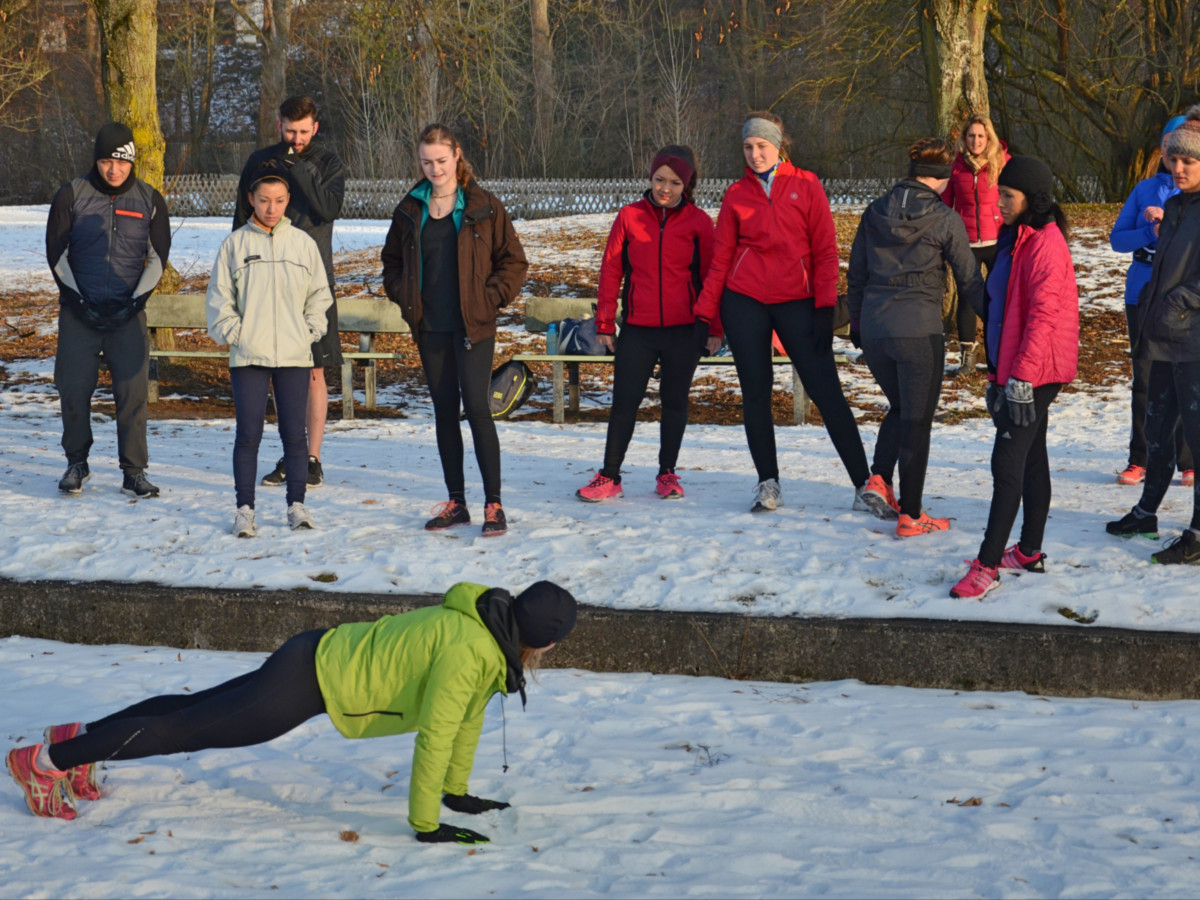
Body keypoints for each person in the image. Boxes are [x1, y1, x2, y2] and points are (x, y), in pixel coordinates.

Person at [5, 580, 578, 844]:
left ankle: (76, 739)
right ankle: (48, 760)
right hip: (309, 681)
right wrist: (427, 823)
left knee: (192, 709)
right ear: (541, 638)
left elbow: (468, 718)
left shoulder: (484, 624)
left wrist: (457, 791)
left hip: (312, 656)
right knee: (186, 728)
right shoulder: (470, 653)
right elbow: (437, 734)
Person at [693, 110, 881, 516]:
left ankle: (863, 483)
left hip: (798, 303)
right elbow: (721, 259)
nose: (754, 154)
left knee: (826, 391)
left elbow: (825, 252)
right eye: (748, 147)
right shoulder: (736, 195)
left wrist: (825, 307)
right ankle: (768, 484)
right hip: (745, 303)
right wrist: (707, 316)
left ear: (778, 146)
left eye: (761, 146)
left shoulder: (807, 185)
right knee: (756, 395)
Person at [381, 123, 528, 537]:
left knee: (479, 411)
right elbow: (390, 262)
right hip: (430, 328)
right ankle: (456, 502)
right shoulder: (410, 208)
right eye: (426, 162)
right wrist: (404, 295)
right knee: (444, 414)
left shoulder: (483, 205)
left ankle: (494, 504)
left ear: (457, 155)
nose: (434, 169)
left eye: (441, 161)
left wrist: (489, 299)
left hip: (473, 326)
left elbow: (514, 263)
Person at [951, 156, 1079, 599]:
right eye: (998, 193)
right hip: (1015, 367)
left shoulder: (1046, 242)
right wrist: (996, 374)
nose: (999, 203)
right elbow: (1002, 309)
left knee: (1006, 464)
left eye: (1008, 195)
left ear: (1033, 198)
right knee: (1032, 456)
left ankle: (986, 565)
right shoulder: (1013, 238)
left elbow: (1043, 318)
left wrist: (1020, 379)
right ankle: (1028, 550)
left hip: (1037, 370)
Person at [847, 138, 984, 537]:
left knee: (901, 406)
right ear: (943, 178)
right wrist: (999, 322)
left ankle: (878, 479)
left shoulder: (875, 211)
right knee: (917, 420)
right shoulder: (945, 218)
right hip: (919, 333)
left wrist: (857, 324)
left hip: (874, 331)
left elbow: (856, 274)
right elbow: (970, 282)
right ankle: (911, 514)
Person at [576, 145, 718, 502]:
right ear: (650, 178)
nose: (664, 189)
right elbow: (611, 271)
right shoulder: (629, 217)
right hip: (638, 329)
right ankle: (610, 475)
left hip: (683, 330)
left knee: (674, 401)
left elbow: (713, 277)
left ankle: (667, 473)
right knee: (624, 401)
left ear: (687, 185)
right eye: (659, 180)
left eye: (673, 182)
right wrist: (605, 323)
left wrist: (714, 327)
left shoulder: (700, 223)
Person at [46, 122, 171, 499]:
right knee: (74, 388)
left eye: (120, 162)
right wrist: (78, 301)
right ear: (96, 160)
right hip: (78, 314)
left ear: (131, 161)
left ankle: (134, 471)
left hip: (127, 315)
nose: (112, 170)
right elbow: (56, 254)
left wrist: (134, 302)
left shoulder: (150, 200)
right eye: (104, 161)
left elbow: (158, 258)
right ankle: (76, 463)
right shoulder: (71, 195)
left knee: (132, 393)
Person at [207, 161, 332, 535]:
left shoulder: (303, 244)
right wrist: (236, 332)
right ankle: (245, 509)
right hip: (249, 356)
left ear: (287, 200)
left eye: (278, 200)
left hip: (294, 355)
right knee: (249, 435)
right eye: (263, 200)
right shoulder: (235, 244)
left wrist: (310, 329)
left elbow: (319, 295)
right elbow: (220, 297)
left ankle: (297, 507)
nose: (271, 208)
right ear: (251, 199)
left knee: (295, 435)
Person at [234, 96, 346, 490]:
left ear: (315, 127)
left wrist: (298, 168)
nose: (296, 139)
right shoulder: (260, 160)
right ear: (278, 124)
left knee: (313, 371)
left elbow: (327, 208)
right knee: (281, 372)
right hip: (262, 282)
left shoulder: (328, 163)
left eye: (303, 131)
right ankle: (290, 453)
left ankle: (311, 458)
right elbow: (240, 221)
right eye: (289, 130)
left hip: (310, 282)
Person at [1105, 110, 1200, 565]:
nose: (1177, 168)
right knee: (1157, 427)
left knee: (1196, 437)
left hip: (1193, 339)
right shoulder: (1177, 205)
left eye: (1189, 162)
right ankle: (1146, 512)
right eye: (1173, 158)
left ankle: (1197, 534)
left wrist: (1179, 300)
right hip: (1160, 331)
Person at [941, 114, 1009, 373]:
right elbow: (946, 203)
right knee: (967, 300)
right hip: (965, 241)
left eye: (981, 135)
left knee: (998, 295)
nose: (976, 140)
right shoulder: (955, 166)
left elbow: (1015, 195)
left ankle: (998, 353)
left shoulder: (1002, 162)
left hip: (998, 239)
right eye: (971, 135)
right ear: (964, 138)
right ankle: (967, 357)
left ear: (988, 137)